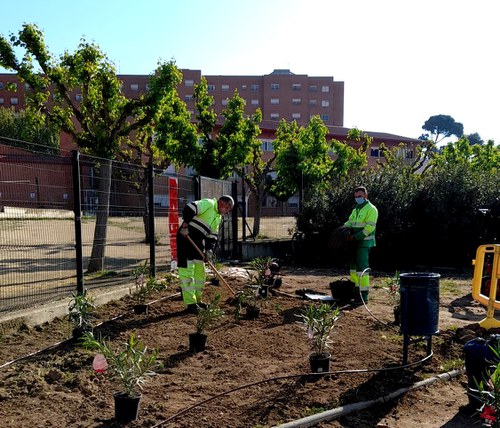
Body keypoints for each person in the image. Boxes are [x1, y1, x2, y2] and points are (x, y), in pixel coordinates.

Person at [176, 195, 234, 313]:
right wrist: (185, 225)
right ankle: (191, 304)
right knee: (187, 272)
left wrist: (209, 251)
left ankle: (198, 301)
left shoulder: (218, 217)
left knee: (200, 273)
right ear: (224, 204)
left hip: (198, 243)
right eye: (229, 209)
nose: (228, 212)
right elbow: (189, 208)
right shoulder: (209, 204)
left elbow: (212, 237)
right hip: (185, 238)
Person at [344, 186, 378, 303]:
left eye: (360, 196)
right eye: (356, 197)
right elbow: (350, 222)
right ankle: (355, 290)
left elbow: (369, 228)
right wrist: (342, 229)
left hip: (364, 243)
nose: (357, 198)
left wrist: (355, 236)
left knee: (362, 269)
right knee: (353, 268)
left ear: (365, 196)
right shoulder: (356, 210)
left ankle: (364, 296)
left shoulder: (371, 209)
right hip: (354, 243)